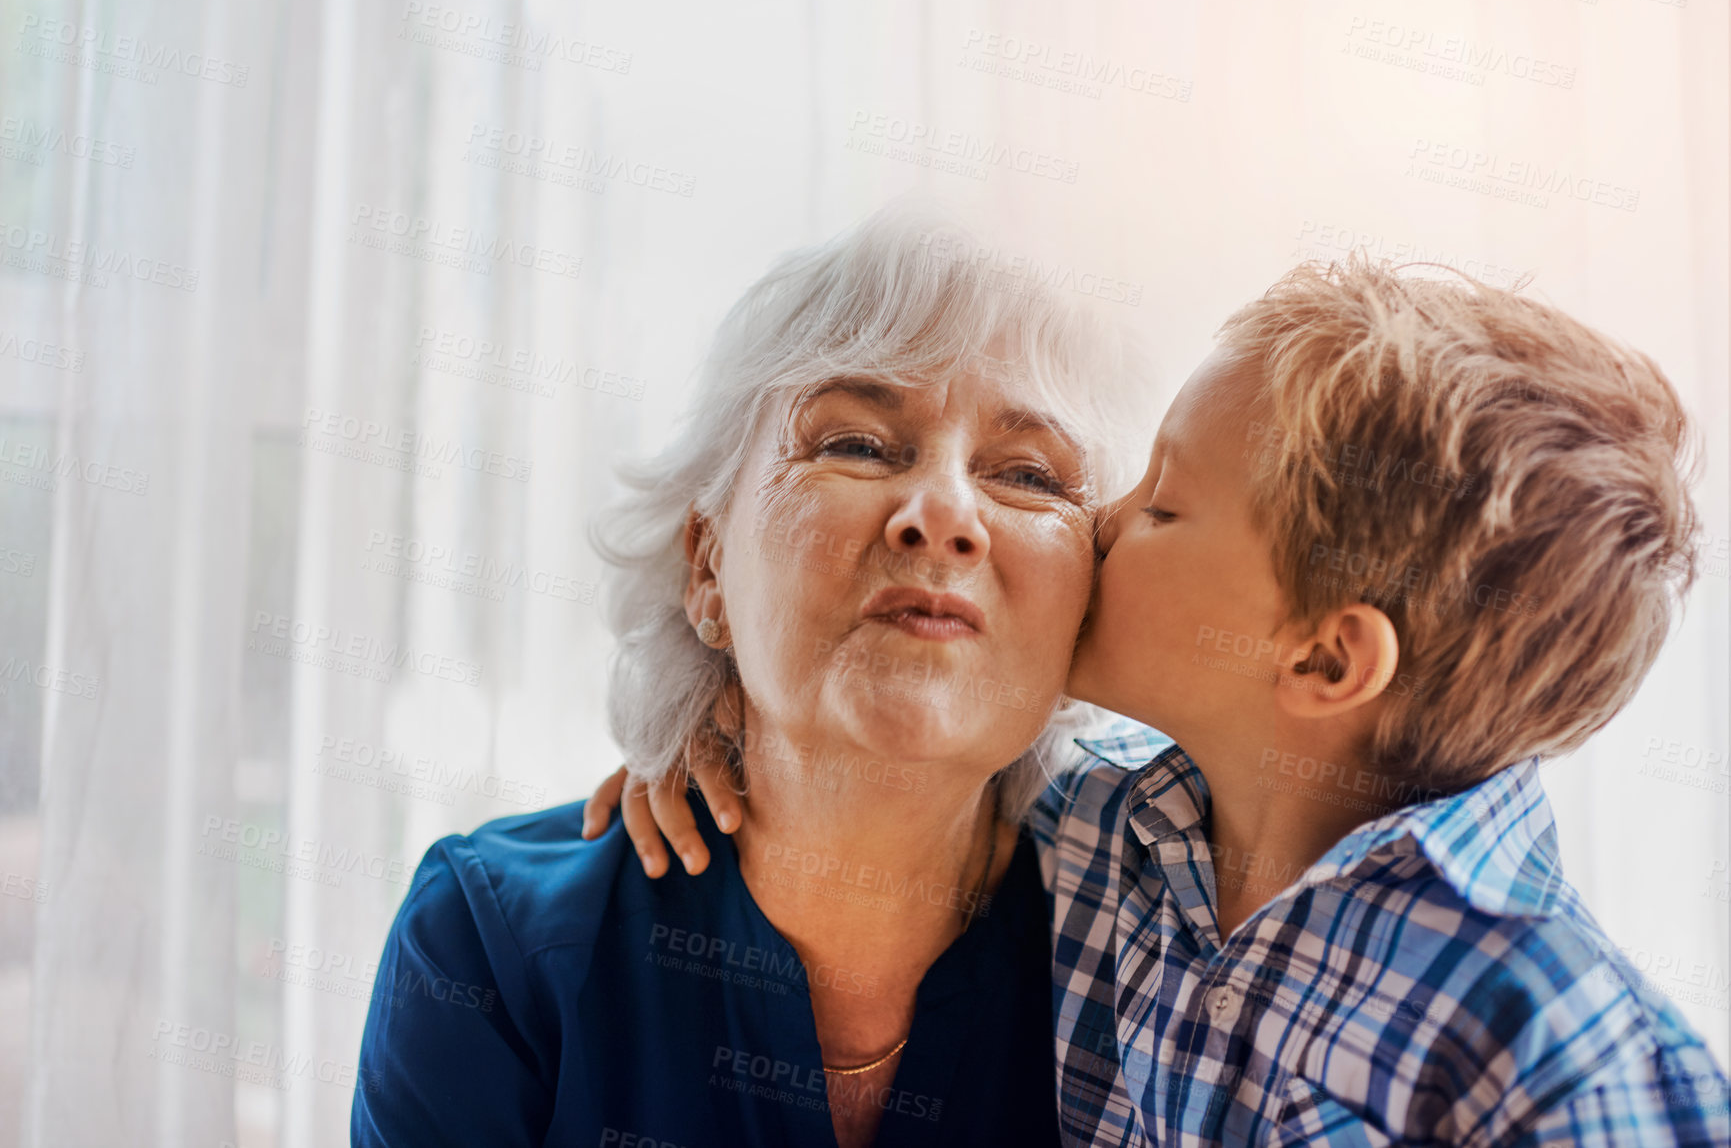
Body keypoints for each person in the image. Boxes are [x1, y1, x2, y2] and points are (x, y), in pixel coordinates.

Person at [595, 256, 1731, 1145]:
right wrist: (720, 729)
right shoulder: (1107, 833)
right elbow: (894, 769)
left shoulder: (1553, 1039)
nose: (1097, 523)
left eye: (1164, 503)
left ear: (1326, 663)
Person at [351, 201, 1151, 1148]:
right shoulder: (490, 948)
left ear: (1086, 610)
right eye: (855, 444)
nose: (942, 512)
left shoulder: (1152, 956)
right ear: (705, 566)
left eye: (1027, 474)